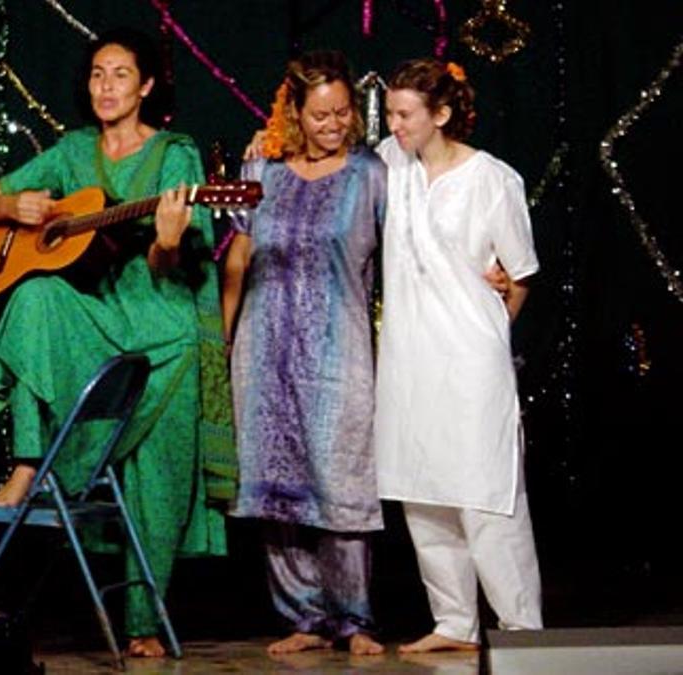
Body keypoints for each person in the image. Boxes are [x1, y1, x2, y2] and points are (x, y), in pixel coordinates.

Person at [0, 27, 233, 658]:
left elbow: (179, 262)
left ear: (145, 87)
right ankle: (29, 463)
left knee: (155, 481)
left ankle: (144, 622)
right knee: (33, 296)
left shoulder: (175, 153)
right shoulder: (73, 150)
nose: (106, 86)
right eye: (97, 74)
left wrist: (166, 239)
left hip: (160, 326)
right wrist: (15, 210)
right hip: (96, 317)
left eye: (120, 75)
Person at [374, 58, 543, 653]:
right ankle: (453, 622)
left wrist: (488, 334)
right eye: (390, 113)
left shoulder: (492, 179)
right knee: (423, 490)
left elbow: (519, 273)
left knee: (485, 495)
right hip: (408, 359)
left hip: (469, 359)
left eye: (405, 115)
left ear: (440, 115)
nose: (393, 125)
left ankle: (521, 628)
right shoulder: (392, 164)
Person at [222, 51, 386, 657]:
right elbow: (239, 256)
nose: (334, 125)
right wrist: (224, 335)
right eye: (320, 115)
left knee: (339, 482)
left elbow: (406, 253)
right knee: (277, 489)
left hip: (337, 352)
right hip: (264, 349)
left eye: (342, 112)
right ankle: (303, 619)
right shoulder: (260, 168)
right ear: (295, 113)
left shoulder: (371, 174)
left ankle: (356, 620)